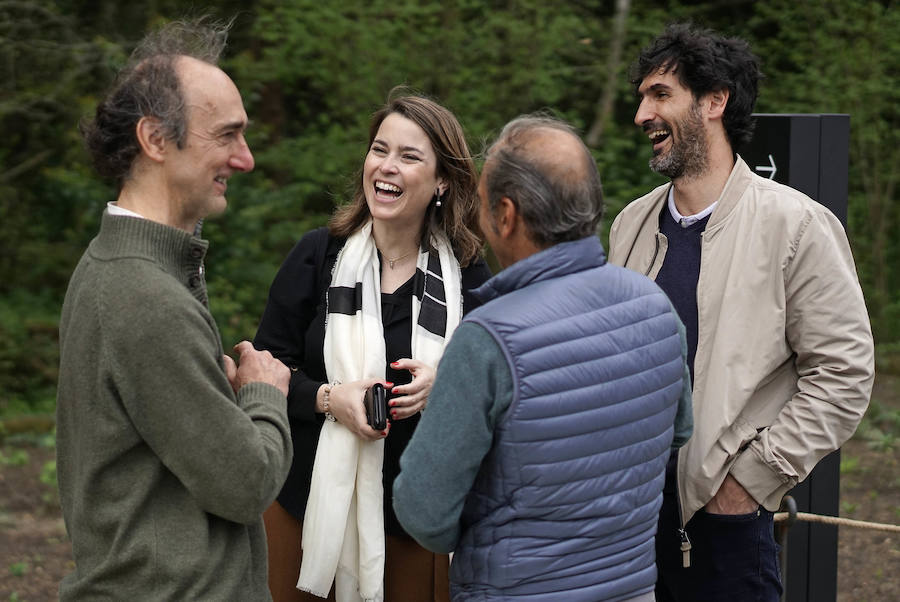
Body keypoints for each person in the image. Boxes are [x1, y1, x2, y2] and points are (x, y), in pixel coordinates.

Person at [608, 23, 876, 601]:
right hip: (626, 530)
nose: (641, 115)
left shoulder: (796, 225)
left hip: (728, 531)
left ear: (714, 100)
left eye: (659, 94)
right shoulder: (630, 225)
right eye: (640, 97)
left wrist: (748, 483)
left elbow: (844, 375)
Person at [393, 115, 693, 601]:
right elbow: (678, 432)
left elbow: (423, 513)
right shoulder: (655, 306)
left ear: (506, 215)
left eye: (485, 206)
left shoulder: (487, 340)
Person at [55, 18, 293, 601]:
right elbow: (245, 483)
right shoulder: (144, 297)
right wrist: (266, 392)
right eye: (228, 136)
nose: (247, 159)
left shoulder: (118, 267)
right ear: (156, 140)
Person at [254, 92, 491, 602]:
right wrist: (327, 398)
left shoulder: (469, 278)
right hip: (306, 510)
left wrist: (445, 386)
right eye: (379, 150)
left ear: (443, 180)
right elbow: (264, 370)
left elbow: (500, 389)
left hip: (415, 521)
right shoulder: (318, 256)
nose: (387, 167)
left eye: (409, 156)